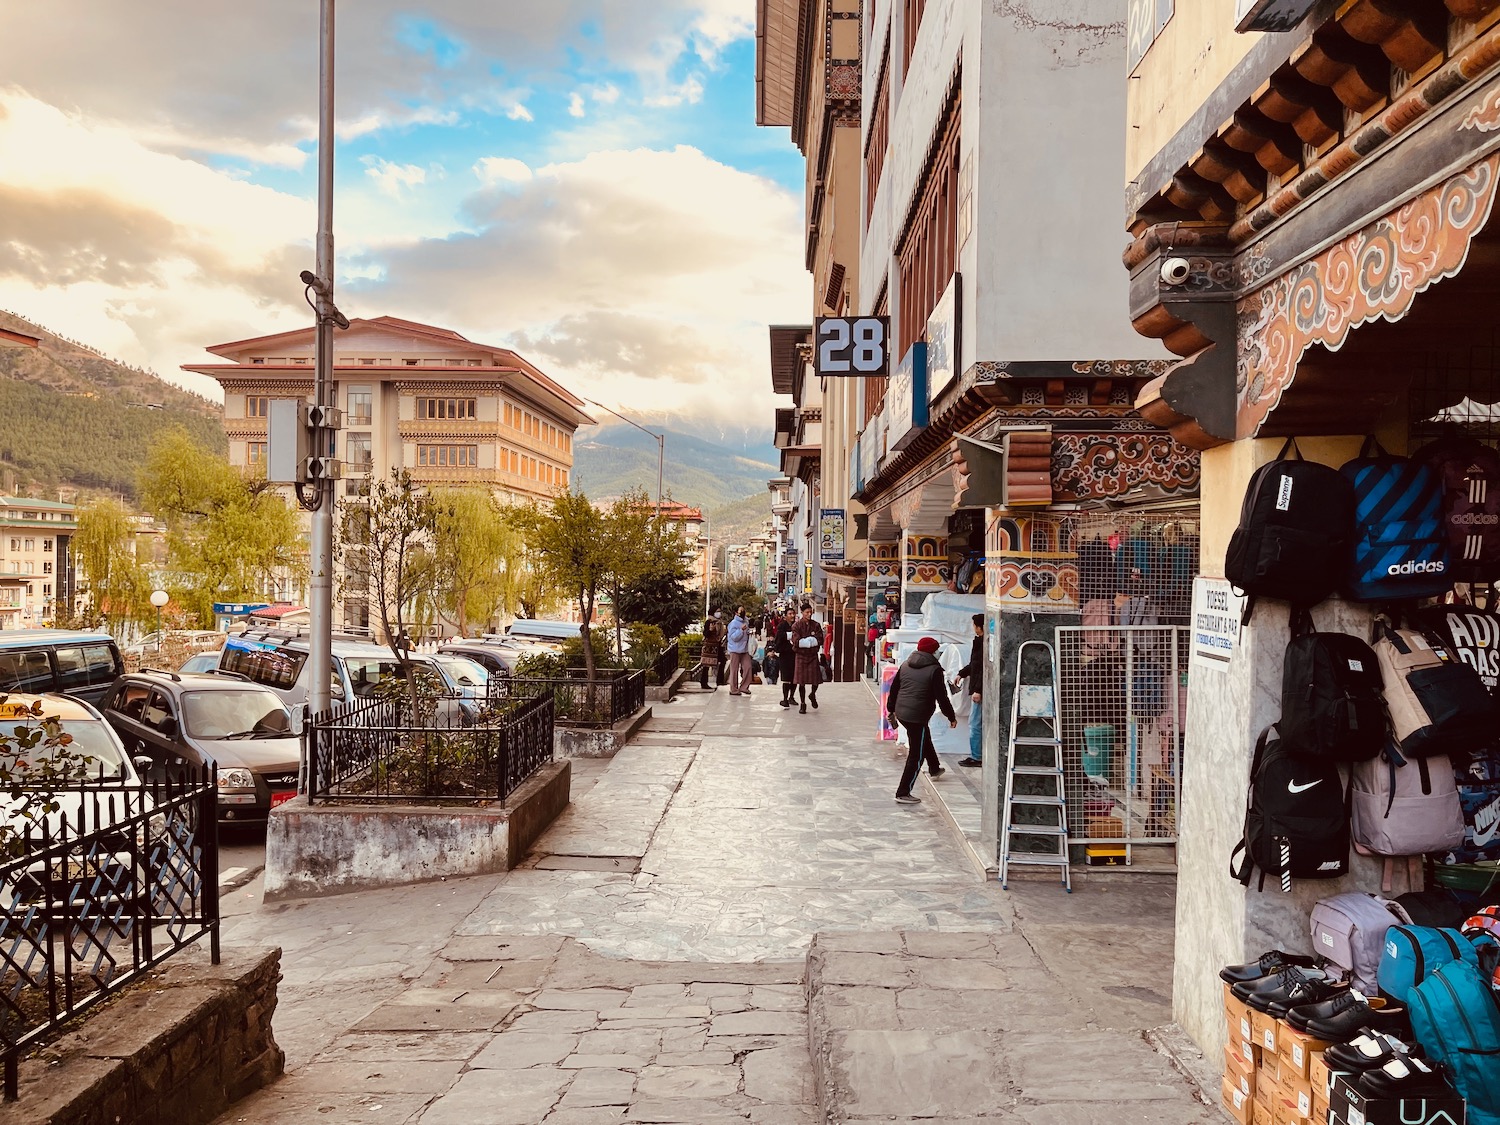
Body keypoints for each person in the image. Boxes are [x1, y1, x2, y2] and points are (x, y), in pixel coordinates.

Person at [887, 636, 957, 803]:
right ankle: (903, 792)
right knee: (916, 756)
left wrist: (891, 709)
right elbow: (942, 698)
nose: (938, 653)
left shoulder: (905, 665)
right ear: (932, 652)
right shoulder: (935, 670)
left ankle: (934, 768)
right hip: (917, 716)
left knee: (923, 737)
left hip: (903, 712)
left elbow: (894, 689)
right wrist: (951, 717)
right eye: (937, 650)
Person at [953, 613, 985, 768]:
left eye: (974, 625)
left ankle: (977, 756)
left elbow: (983, 669)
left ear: (980, 626)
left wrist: (978, 690)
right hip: (977, 688)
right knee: (976, 723)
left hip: (980, 691)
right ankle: (977, 754)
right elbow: (975, 665)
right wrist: (962, 673)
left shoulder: (985, 643)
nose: (973, 627)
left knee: (975, 723)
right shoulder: (979, 642)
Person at [790, 604, 824, 714]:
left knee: (816, 680)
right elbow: (797, 642)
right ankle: (803, 703)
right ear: (802, 613)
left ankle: (812, 694)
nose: (809, 614)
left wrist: (808, 642)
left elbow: (820, 639)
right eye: (807, 612)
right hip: (801, 656)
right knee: (801, 682)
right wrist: (810, 641)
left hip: (813, 656)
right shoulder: (796, 626)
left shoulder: (816, 625)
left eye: (810, 612)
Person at [726, 606, 753, 696]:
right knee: (734, 670)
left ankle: (744, 687)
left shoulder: (746, 621)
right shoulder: (733, 624)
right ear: (736, 613)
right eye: (740, 610)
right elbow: (733, 637)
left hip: (745, 649)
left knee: (748, 667)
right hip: (735, 649)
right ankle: (733, 689)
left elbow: (747, 632)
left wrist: (749, 632)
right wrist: (741, 630)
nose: (743, 612)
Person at [774, 606, 797, 706]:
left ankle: (792, 696)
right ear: (785, 616)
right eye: (790, 614)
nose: (792, 616)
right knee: (786, 678)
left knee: (794, 677)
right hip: (785, 655)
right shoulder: (781, 626)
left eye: (793, 614)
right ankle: (785, 698)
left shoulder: (797, 625)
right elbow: (779, 638)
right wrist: (789, 636)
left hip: (795, 655)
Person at [696, 614, 723, 691]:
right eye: (717, 611)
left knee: (720, 663)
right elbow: (705, 633)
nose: (719, 613)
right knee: (706, 665)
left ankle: (719, 682)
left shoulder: (719, 623)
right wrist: (710, 630)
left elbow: (720, 635)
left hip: (716, 646)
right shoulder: (709, 622)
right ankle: (704, 682)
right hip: (708, 647)